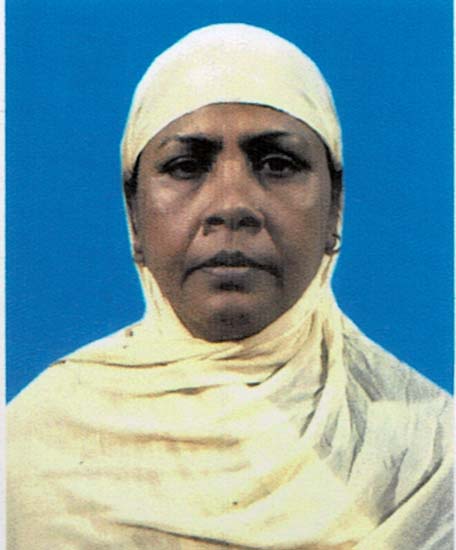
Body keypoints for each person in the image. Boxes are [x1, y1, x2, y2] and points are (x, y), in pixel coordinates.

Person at [7, 24, 452, 550]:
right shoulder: (32, 449)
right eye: (186, 167)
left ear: (335, 207)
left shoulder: (433, 454)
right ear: (134, 215)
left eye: (278, 164)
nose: (231, 205)